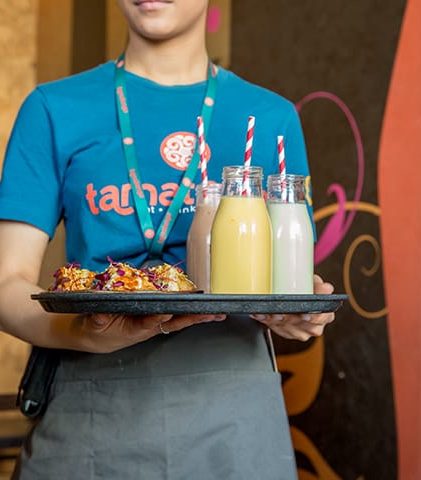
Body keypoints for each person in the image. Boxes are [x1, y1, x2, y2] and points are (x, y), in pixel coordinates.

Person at [0, 0, 335, 478]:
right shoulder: (54, 109)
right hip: (90, 405)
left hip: (232, 418)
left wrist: (297, 313)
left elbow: (288, 277)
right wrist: (86, 334)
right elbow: (5, 284)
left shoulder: (269, 118)